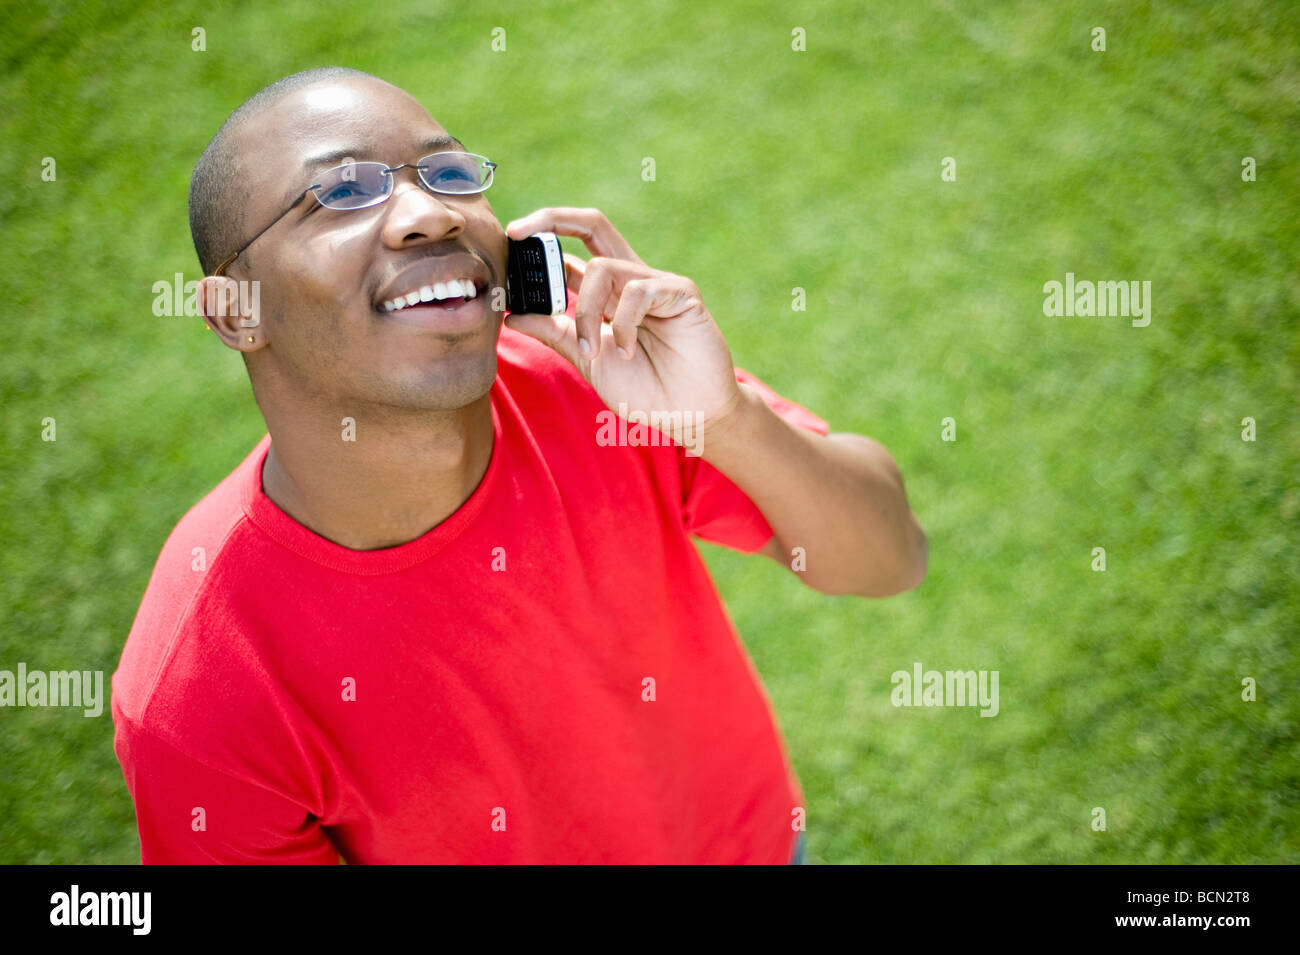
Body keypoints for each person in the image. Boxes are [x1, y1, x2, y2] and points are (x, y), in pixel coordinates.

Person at [111, 66, 928, 864]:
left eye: (451, 173)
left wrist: (720, 419)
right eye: (342, 192)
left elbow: (891, 557)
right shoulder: (196, 692)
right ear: (235, 311)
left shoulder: (596, 387)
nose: (428, 213)